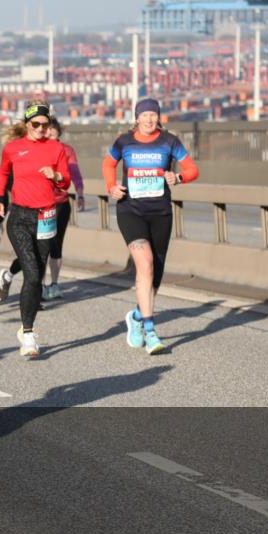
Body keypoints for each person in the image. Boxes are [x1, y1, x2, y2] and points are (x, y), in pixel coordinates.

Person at [103, 98, 198, 354]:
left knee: (154, 276)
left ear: (158, 117)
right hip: (130, 210)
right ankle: (150, 329)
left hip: (161, 213)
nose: (148, 119)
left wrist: (178, 177)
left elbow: (191, 169)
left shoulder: (169, 142)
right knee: (144, 264)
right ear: (136, 118)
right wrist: (111, 186)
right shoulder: (124, 141)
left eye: (153, 115)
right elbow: (108, 163)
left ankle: (135, 317)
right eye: (144, 115)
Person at [0, 101, 71, 359]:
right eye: (35, 124)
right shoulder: (13, 149)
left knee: (35, 273)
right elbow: (3, 174)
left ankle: (25, 321)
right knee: (34, 274)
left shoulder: (57, 148)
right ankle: (28, 333)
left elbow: (66, 181)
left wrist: (56, 176)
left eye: (45, 125)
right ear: (27, 125)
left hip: (47, 216)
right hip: (20, 217)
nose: (41, 129)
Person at [0, 117, 85, 302]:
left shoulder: (64, 150)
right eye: (43, 128)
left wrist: (80, 192)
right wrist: (3, 198)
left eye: (51, 130)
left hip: (58, 206)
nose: (46, 132)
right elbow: (8, 174)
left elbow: (73, 175)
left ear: (58, 132)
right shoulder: (26, 148)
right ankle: (29, 284)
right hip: (32, 208)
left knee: (54, 248)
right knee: (32, 255)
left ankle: (52, 285)